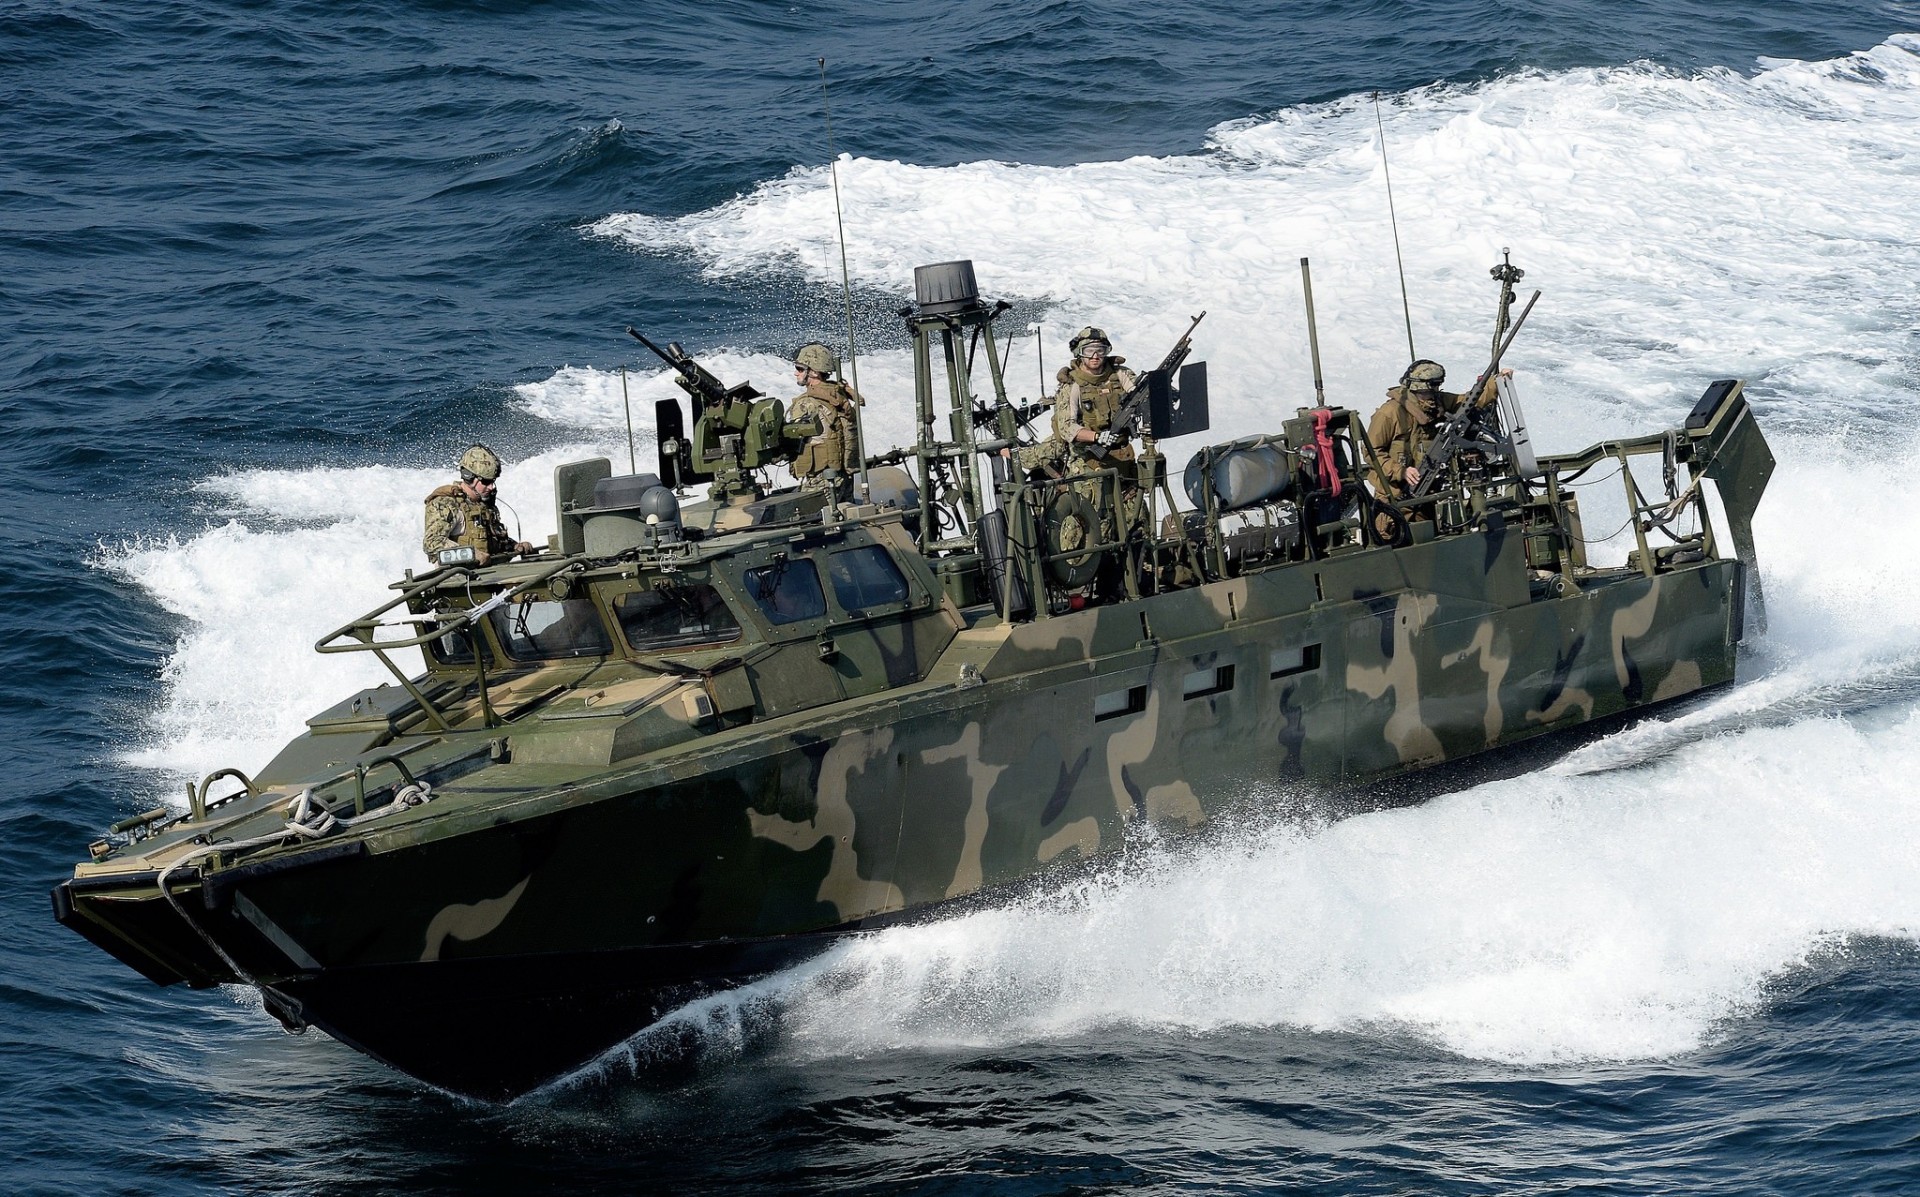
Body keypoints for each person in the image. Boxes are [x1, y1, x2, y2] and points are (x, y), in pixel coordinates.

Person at [1365, 359, 1503, 500]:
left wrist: (1496, 381)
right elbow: (1371, 451)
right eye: (1429, 390)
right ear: (1416, 388)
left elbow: (1470, 401)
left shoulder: (1438, 403)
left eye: (1436, 388)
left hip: (1432, 493)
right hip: (1395, 498)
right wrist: (1401, 471)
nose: (1434, 394)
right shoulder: (1389, 413)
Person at [1051, 327, 1140, 485]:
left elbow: (1139, 394)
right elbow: (1066, 427)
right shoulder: (1072, 385)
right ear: (1079, 352)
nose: (1095, 356)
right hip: (1087, 459)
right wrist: (1097, 437)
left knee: (1136, 507)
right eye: (1089, 351)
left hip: (1122, 454)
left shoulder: (1119, 375)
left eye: (1100, 350)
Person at [423, 444, 532, 566]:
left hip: (490, 574)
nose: (491, 487)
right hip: (460, 579)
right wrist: (471, 554)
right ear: (469, 477)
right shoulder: (447, 504)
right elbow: (431, 543)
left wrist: (514, 546)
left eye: (492, 481)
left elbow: (494, 540)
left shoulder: (484, 505)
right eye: (486, 481)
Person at [786, 342, 862, 497]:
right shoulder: (838, 393)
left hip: (822, 478)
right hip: (843, 474)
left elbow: (792, 440)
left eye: (800, 369)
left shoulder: (806, 404)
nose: (796, 373)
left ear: (814, 373)